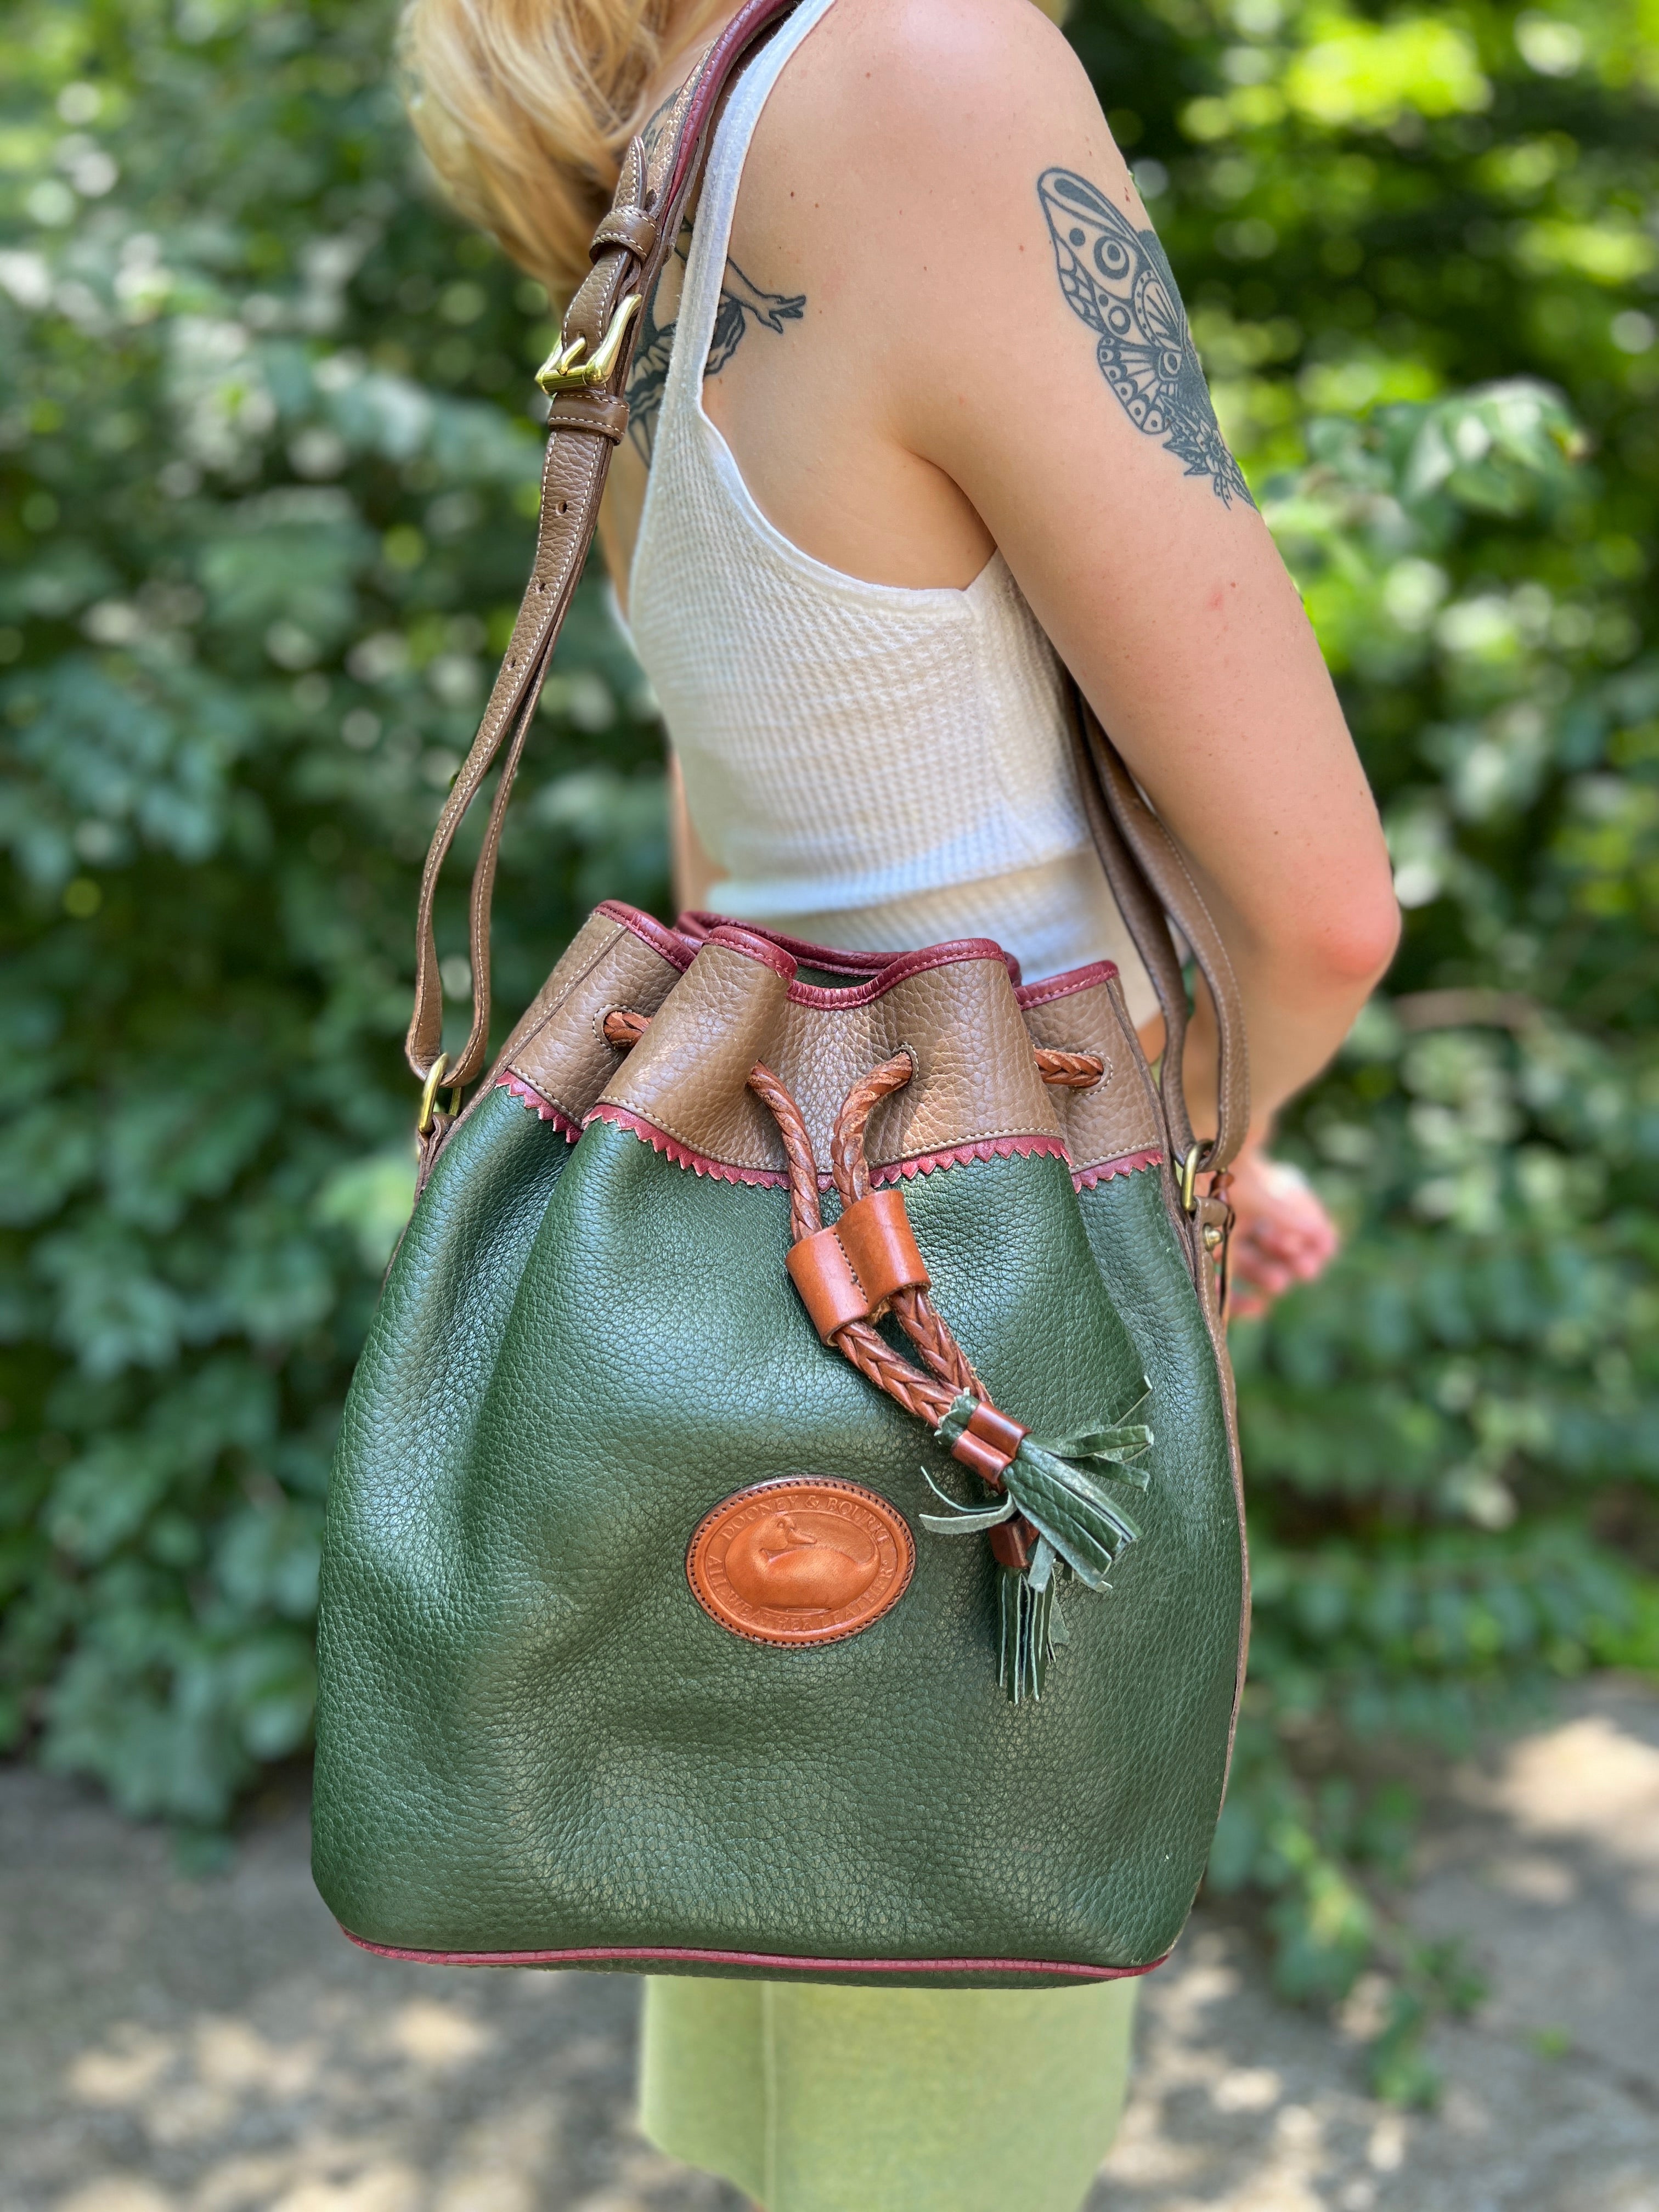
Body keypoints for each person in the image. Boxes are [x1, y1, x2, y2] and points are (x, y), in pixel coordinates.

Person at [398, 0, 1402, 2204]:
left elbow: (743, 871)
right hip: (987, 1336)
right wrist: (1207, 1160)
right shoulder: (922, 72)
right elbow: (1321, 911)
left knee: (806, 2122)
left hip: (769, 1291)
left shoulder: (663, 193)